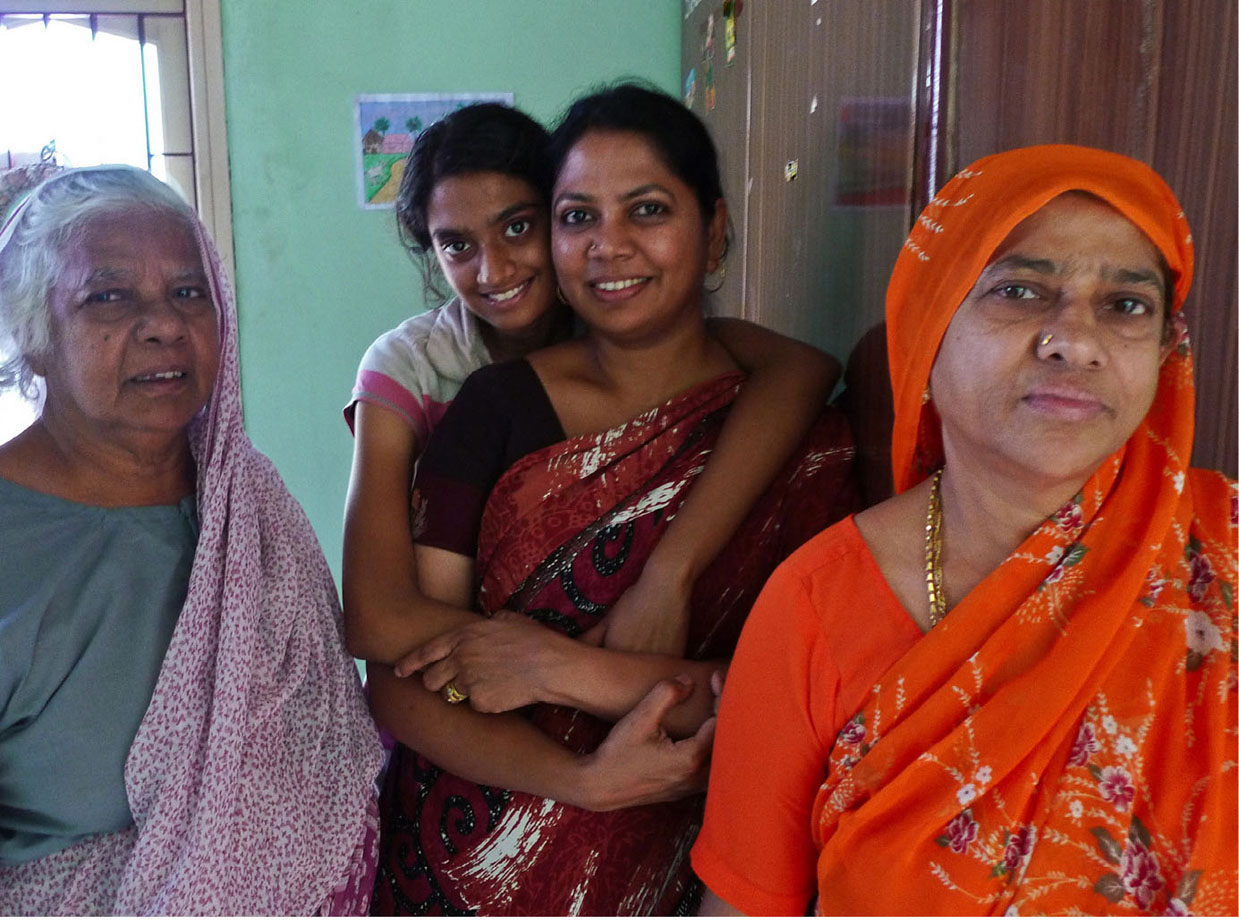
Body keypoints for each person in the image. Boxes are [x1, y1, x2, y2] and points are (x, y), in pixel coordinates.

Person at [692, 145, 1238, 915]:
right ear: (928, 324)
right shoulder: (813, 607)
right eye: (1019, 291)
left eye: (1124, 306)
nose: (1073, 340)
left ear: (1163, 350)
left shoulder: (1225, 556)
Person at [363, 84, 861, 915]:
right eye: (576, 216)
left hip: (700, 866)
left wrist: (573, 668)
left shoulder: (803, 441)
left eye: (647, 209)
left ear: (714, 233)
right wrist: (584, 779)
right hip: (460, 868)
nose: (608, 246)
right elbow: (402, 682)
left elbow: (823, 701)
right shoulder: (492, 408)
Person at [0, 165, 383, 914]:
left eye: (189, 292)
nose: (164, 324)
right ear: (34, 336)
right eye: (108, 296)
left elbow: (328, 758)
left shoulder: (251, 508)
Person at [344, 102, 844, 669]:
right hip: (491, 694)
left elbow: (801, 368)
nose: (495, 270)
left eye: (518, 226)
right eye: (458, 245)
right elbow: (380, 622)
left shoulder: (644, 325)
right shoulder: (416, 370)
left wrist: (667, 579)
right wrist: (573, 670)